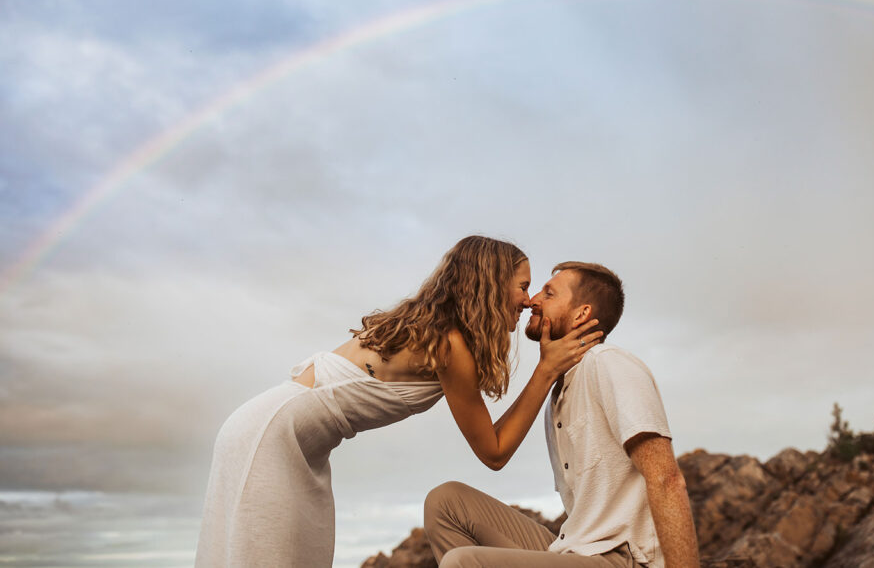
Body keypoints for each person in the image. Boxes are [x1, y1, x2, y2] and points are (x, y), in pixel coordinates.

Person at [195, 236, 603, 568]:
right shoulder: (450, 344)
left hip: (277, 433)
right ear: (491, 284)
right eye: (522, 286)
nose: (528, 299)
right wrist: (546, 370)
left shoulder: (437, 329)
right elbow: (494, 453)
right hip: (271, 437)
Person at [424, 261, 700, 568]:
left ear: (581, 313)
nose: (533, 300)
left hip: (622, 559)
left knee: (463, 562)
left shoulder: (608, 364)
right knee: (446, 502)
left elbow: (666, 479)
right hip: (573, 549)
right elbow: (494, 450)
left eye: (549, 293)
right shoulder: (557, 393)